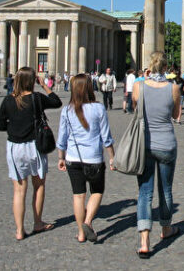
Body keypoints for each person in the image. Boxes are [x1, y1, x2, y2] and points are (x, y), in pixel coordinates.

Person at [0, 67, 62, 240]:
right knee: (38, 185)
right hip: (34, 146)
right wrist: (45, 86)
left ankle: (19, 230)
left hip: (14, 147)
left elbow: (0, 125)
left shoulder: (8, 100)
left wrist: (14, 127)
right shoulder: (37, 98)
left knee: (19, 190)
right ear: (33, 81)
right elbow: (56, 102)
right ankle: (38, 223)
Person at [132, 52, 181, 258]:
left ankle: (144, 241)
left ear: (149, 67)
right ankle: (166, 229)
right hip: (166, 144)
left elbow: (136, 110)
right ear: (165, 67)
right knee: (166, 190)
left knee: (144, 193)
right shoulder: (174, 88)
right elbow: (176, 116)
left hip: (144, 144)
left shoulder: (138, 86)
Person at [56, 74, 116, 243]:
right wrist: (112, 157)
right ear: (90, 88)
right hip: (94, 159)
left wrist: (61, 157)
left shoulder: (66, 110)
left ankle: (81, 233)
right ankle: (88, 222)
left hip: (73, 159)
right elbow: (106, 137)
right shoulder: (98, 108)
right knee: (96, 192)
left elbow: (62, 139)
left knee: (78, 195)